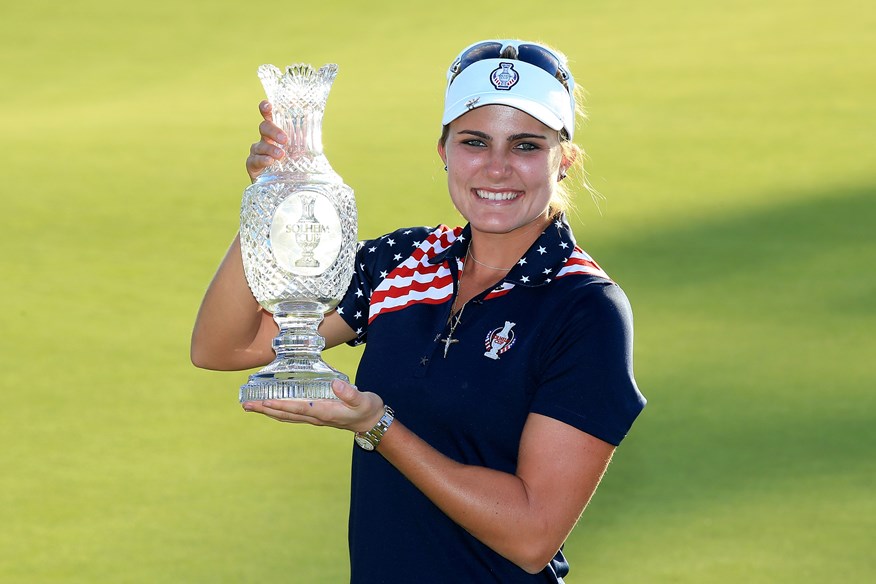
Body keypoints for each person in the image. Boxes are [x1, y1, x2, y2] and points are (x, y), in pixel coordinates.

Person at [192, 39, 646, 583]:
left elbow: (531, 535)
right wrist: (267, 196)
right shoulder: (403, 262)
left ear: (564, 158)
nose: (497, 169)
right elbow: (226, 347)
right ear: (444, 151)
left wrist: (378, 425)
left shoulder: (584, 307)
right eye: (475, 142)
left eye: (525, 146)